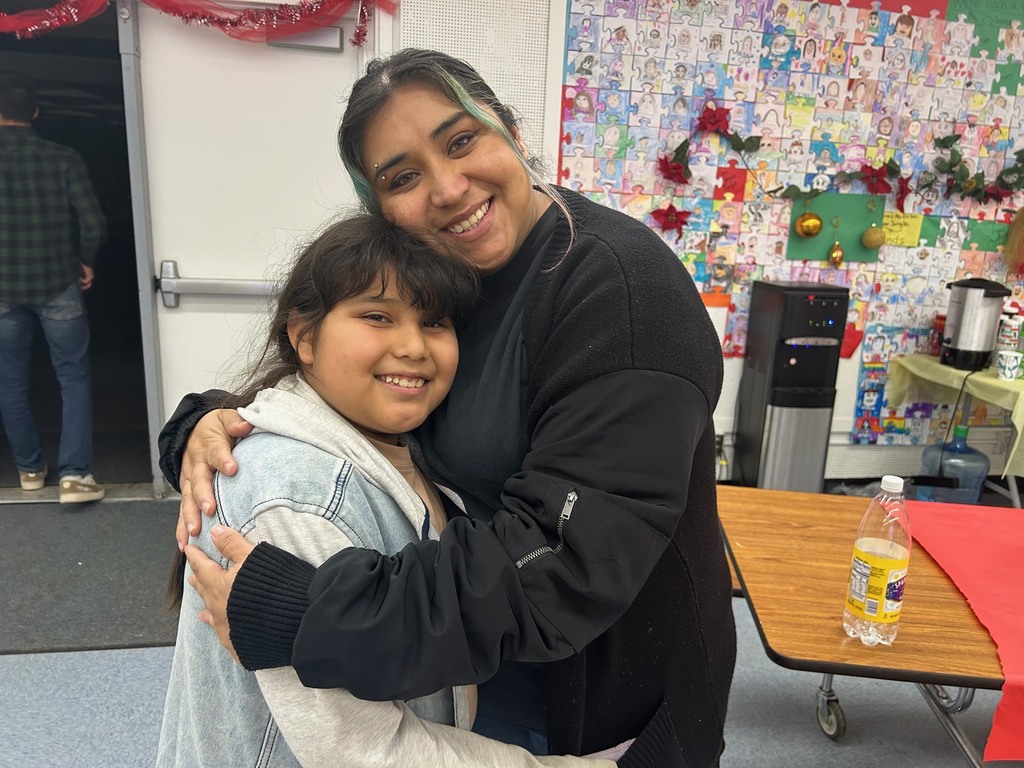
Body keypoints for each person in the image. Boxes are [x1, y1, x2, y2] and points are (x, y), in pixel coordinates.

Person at [162, 49, 736, 767]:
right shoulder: (452, 283)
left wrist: (302, 612)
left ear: (513, 132)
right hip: (461, 675)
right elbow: (358, 390)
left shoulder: (618, 297)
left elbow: (561, 567)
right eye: (402, 177)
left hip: (604, 702)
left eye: (461, 139)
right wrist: (207, 425)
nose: (447, 187)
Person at [157, 213, 615, 767]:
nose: (413, 347)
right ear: (303, 337)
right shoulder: (294, 495)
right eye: (377, 316)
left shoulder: (414, 440)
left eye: (435, 323)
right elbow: (364, 751)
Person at [0, 71, 106, 503]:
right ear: (37, 112)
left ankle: (28, 470)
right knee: (73, 376)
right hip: (58, 281)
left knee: (10, 380)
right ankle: (74, 477)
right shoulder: (63, 158)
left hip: (3, 288)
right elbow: (94, 222)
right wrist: (87, 262)